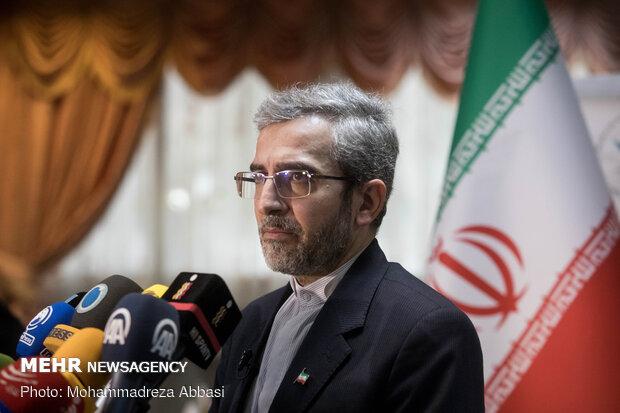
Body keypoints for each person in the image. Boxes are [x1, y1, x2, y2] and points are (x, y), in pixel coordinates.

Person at [211, 83, 484, 412]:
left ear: (367, 202)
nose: (266, 203)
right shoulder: (252, 319)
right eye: (259, 178)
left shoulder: (428, 332)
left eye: (296, 178)